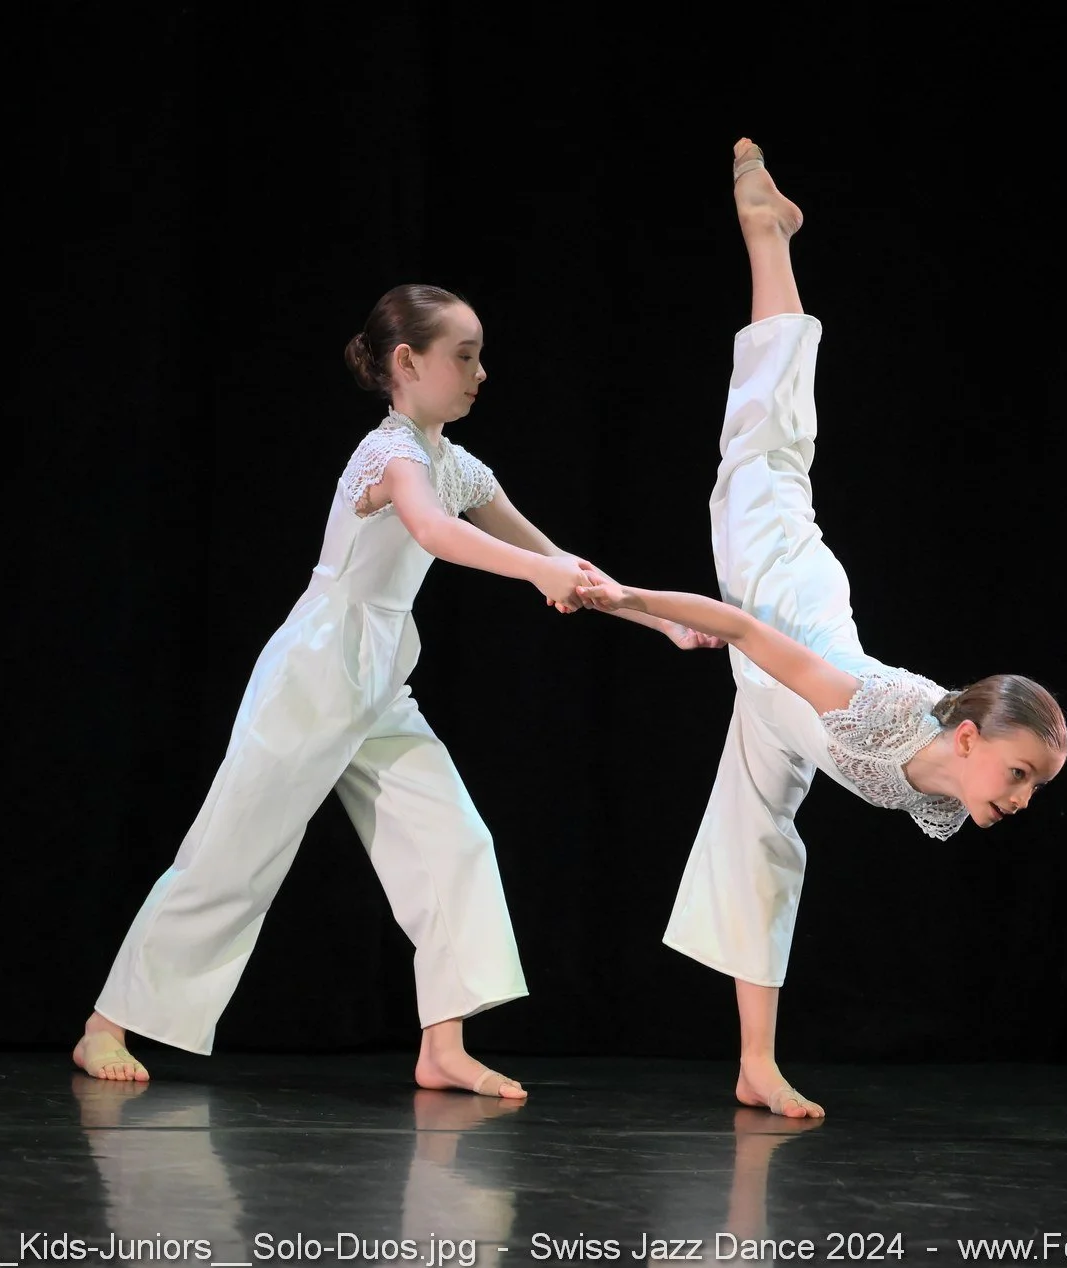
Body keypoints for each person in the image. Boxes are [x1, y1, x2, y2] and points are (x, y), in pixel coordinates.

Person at [75, 284, 715, 1096]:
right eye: (465, 356)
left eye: (480, 355)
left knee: (454, 840)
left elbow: (559, 557)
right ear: (407, 362)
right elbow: (434, 531)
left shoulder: (458, 466)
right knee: (232, 854)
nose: (481, 372)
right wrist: (536, 572)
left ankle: (442, 1044)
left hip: (379, 679)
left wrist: (658, 621)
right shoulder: (387, 454)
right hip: (314, 673)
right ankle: (105, 1024)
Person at [576, 141, 1067, 1120]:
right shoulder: (881, 707)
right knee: (768, 441)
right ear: (968, 736)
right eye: (1020, 772)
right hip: (779, 588)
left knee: (760, 843)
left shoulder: (949, 786)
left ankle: (755, 1063)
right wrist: (628, 601)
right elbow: (741, 625)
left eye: (1034, 786)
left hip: (781, 705)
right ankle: (767, 231)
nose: (1022, 797)